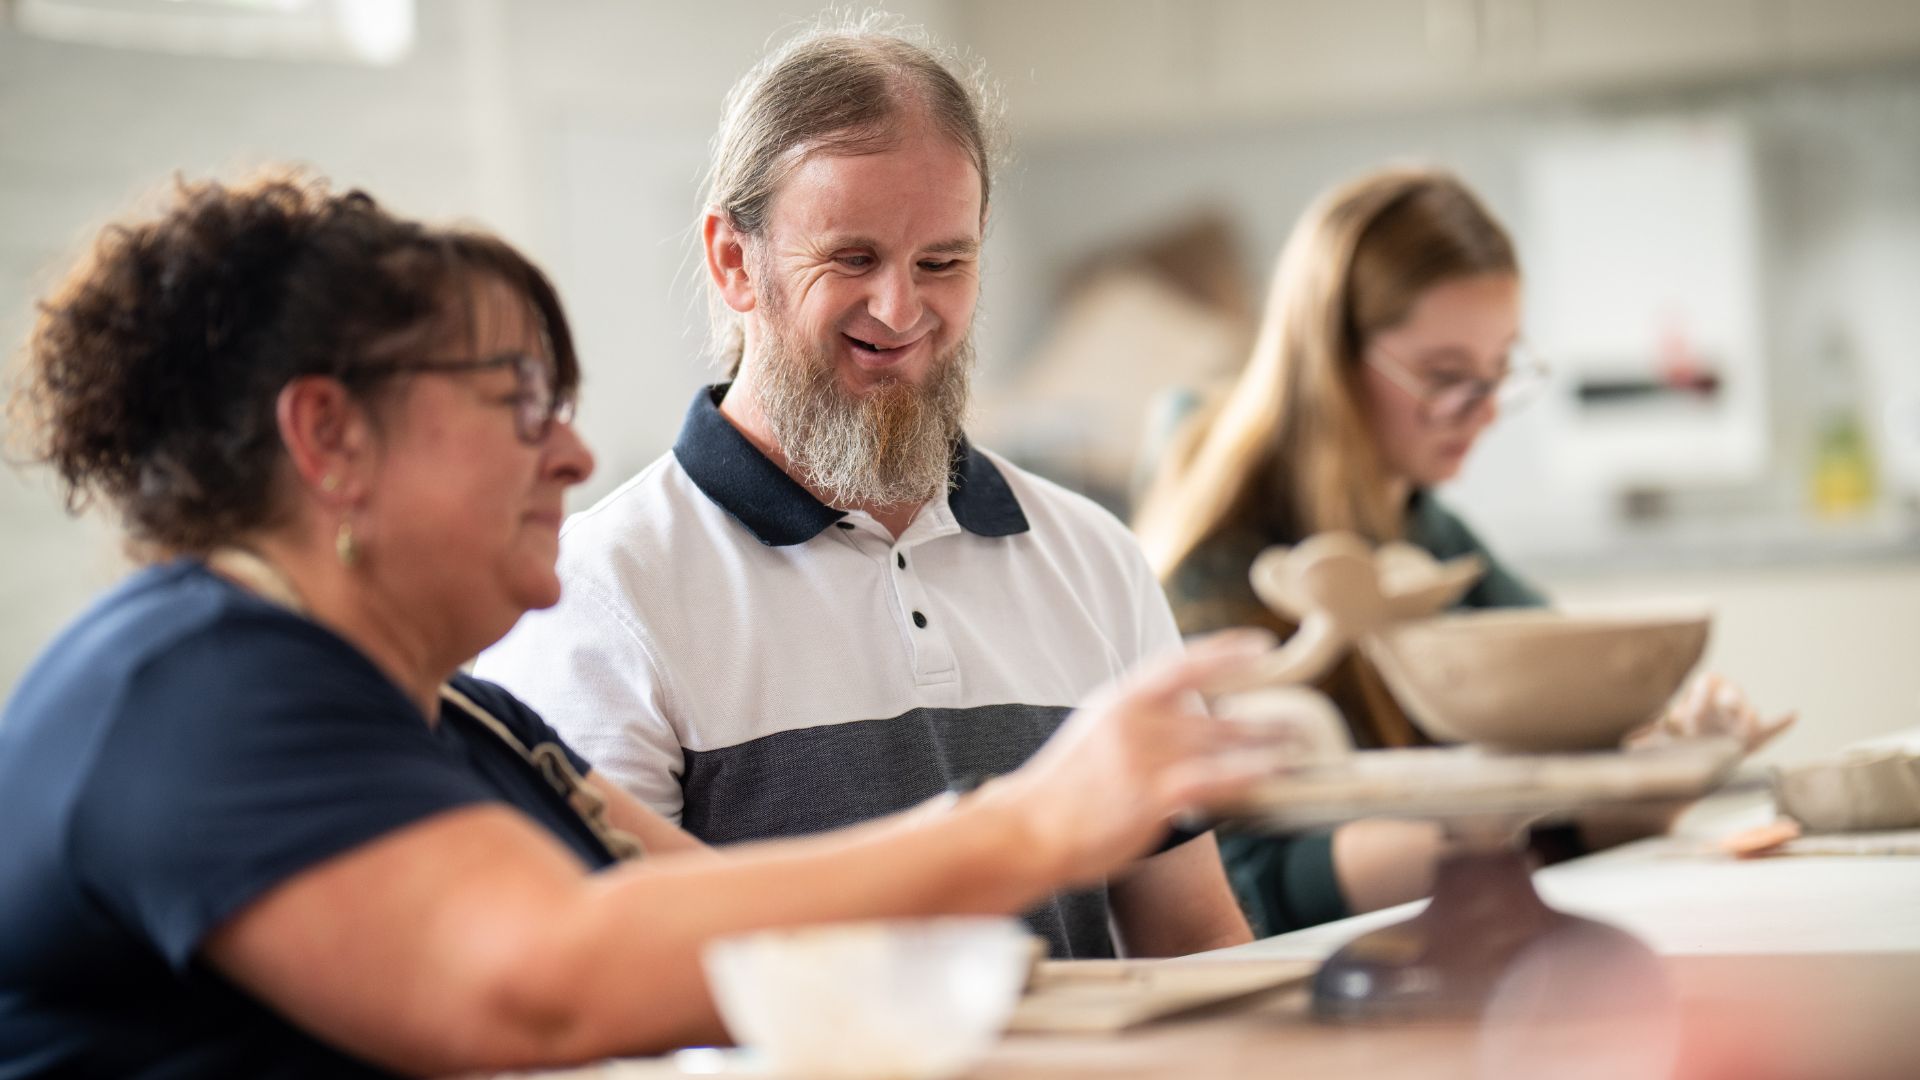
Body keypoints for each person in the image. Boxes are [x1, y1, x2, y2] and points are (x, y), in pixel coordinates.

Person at [0, 172, 1284, 1077]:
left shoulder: (463, 719)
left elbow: (751, 932)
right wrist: (1030, 825)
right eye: (518, 398)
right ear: (330, 436)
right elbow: (545, 976)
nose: (569, 452)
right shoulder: (185, 691)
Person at [474, 22, 1252, 960]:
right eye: (852, 258)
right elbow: (601, 985)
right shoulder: (598, 596)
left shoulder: (1094, 559)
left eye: (942, 262)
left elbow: (1196, 944)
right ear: (733, 262)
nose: (900, 309)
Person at [1134, 166, 1788, 937]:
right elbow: (1246, 900)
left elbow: (1566, 712)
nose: (1482, 412)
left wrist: (1657, 767)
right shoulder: (1219, 567)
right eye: (1447, 376)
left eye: (1500, 369)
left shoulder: (1422, 527)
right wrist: (1495, 820)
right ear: (1329, 360)